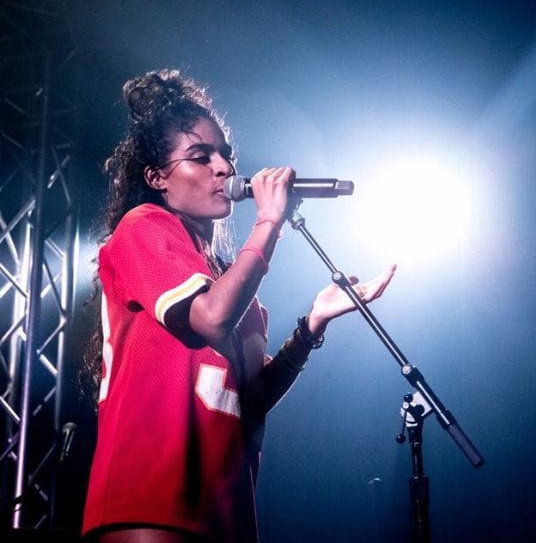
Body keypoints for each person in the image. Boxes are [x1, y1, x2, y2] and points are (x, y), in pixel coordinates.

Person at [80, 68, 396, 542]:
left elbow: (249, 402)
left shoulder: (233, 284)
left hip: (225, 514)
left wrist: (311, 326)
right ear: (156, 177)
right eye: (200, 156)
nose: (224, 168)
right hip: (153, 506)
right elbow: (210, 318)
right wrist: (269, 223)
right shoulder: (142, 227)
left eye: (225, 154)